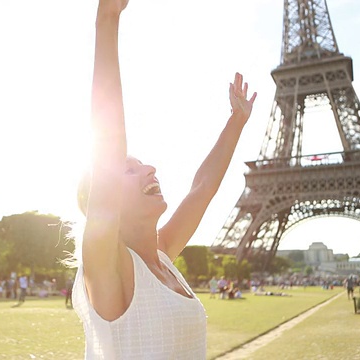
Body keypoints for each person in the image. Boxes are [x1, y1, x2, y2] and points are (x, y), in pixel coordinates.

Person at [70, 1, 257, 358]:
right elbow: (108, 148)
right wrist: (107, 20)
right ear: (105, 198)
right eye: (129, 169)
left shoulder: (162, 258)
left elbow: (201, 190)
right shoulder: (109, 268)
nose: (149, 168)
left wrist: (235, 122)